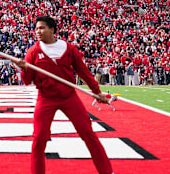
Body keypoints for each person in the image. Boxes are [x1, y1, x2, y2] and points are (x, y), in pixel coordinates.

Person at [15, 16, 112, 174]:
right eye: (37, 28)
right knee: (39, 139)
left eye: (42, 28)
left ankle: (107, 172)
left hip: (69, 97)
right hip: (46, 98)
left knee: (88, 133)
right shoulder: (32, 52)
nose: (38, 31)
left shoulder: (69, 49)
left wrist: (97, 92)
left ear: (52, 29)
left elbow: (84, 72)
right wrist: (24, 69)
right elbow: (27, 81)